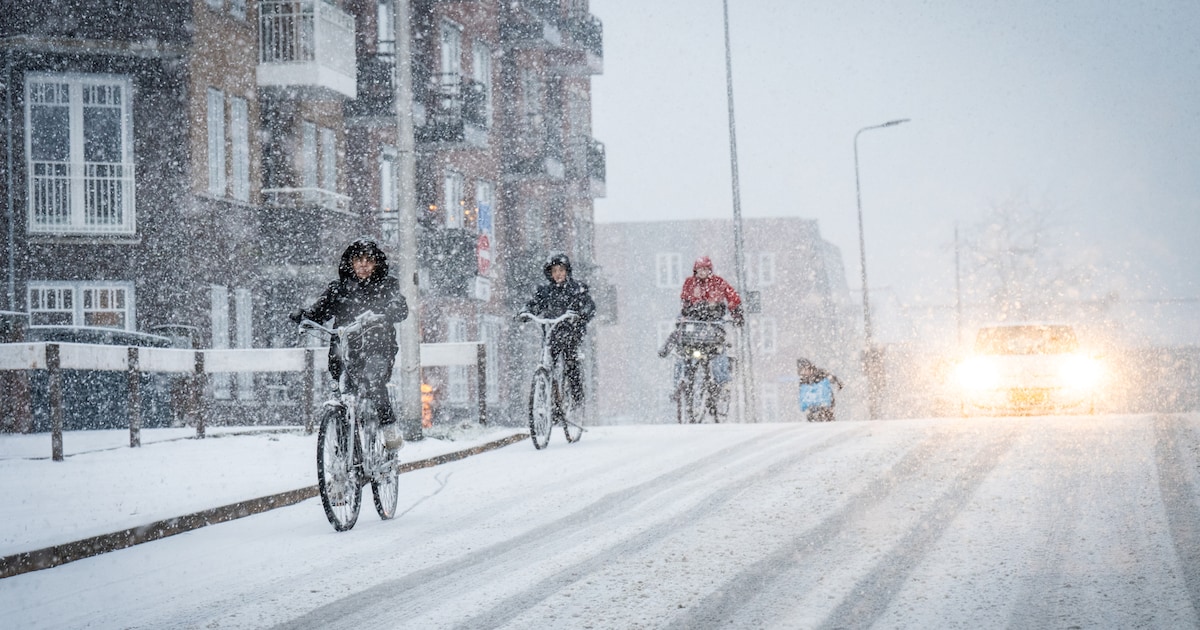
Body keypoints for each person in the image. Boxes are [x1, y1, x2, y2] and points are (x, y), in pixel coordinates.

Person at [291, 239, 409, 450]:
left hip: (377, 348)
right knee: (344, 390)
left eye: (368, 260)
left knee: (374, 381)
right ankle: (347, 445)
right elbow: (320, 310)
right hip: (344, 350)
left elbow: (399, 306)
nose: (363, 264)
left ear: (376, 264)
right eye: (358, 260)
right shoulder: (338, 289)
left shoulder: (387, 285)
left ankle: (389, 429)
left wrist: (389, 311)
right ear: (350, 263)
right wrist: (305, 317)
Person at [521, 253, 596, 408]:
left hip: (571, 332)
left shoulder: (577, 289)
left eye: (561, 270)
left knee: (571, 363)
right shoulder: (545, 292)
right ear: (550, 274)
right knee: (548, 362)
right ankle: (551, 400)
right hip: (552, 333)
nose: (558, 274)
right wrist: (525, 312)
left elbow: (589, 306)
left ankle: (576, 398)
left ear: (567, 271)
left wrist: (580, 315)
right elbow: (535, 304)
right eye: (554, 271)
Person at [658, 256, 744, 358]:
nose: (702, 272)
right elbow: (685, 297)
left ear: (709, 270)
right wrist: (687, 308)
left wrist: (736, 313)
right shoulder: (690, 282)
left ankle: (722, 370)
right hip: (695, 317)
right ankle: (669, 350)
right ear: (695, 271)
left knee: (720, 352)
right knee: (680, 334)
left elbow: (732, 296)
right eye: (700, 269)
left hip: (713, 318)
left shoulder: (718, 282)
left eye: (705, 269)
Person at [797, 358, 844, 422]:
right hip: (812, 407)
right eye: (802, 371)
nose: (804, 372)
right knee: (813, 420)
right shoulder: (803, 380)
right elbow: (803, 394)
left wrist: (838, 383)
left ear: (809, 367)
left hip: (825, 404)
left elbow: (832, 378)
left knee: (827, 419)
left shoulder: (821, 373)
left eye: (805, 369)